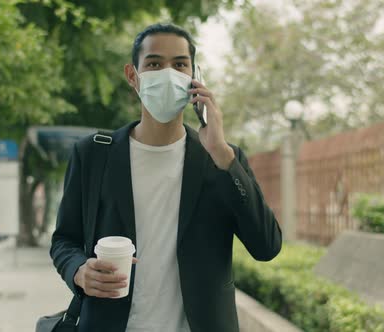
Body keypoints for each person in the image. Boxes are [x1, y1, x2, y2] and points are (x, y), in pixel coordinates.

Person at [50, 23, 282, 332]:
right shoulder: (93, 155)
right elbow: (64, 240)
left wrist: (222, 154)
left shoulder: (222, 159)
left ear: (193, 76)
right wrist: (78, 271)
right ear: (133, 75)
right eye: (155, 64)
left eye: (180, 64)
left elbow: (266, 246)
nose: (168, 73)